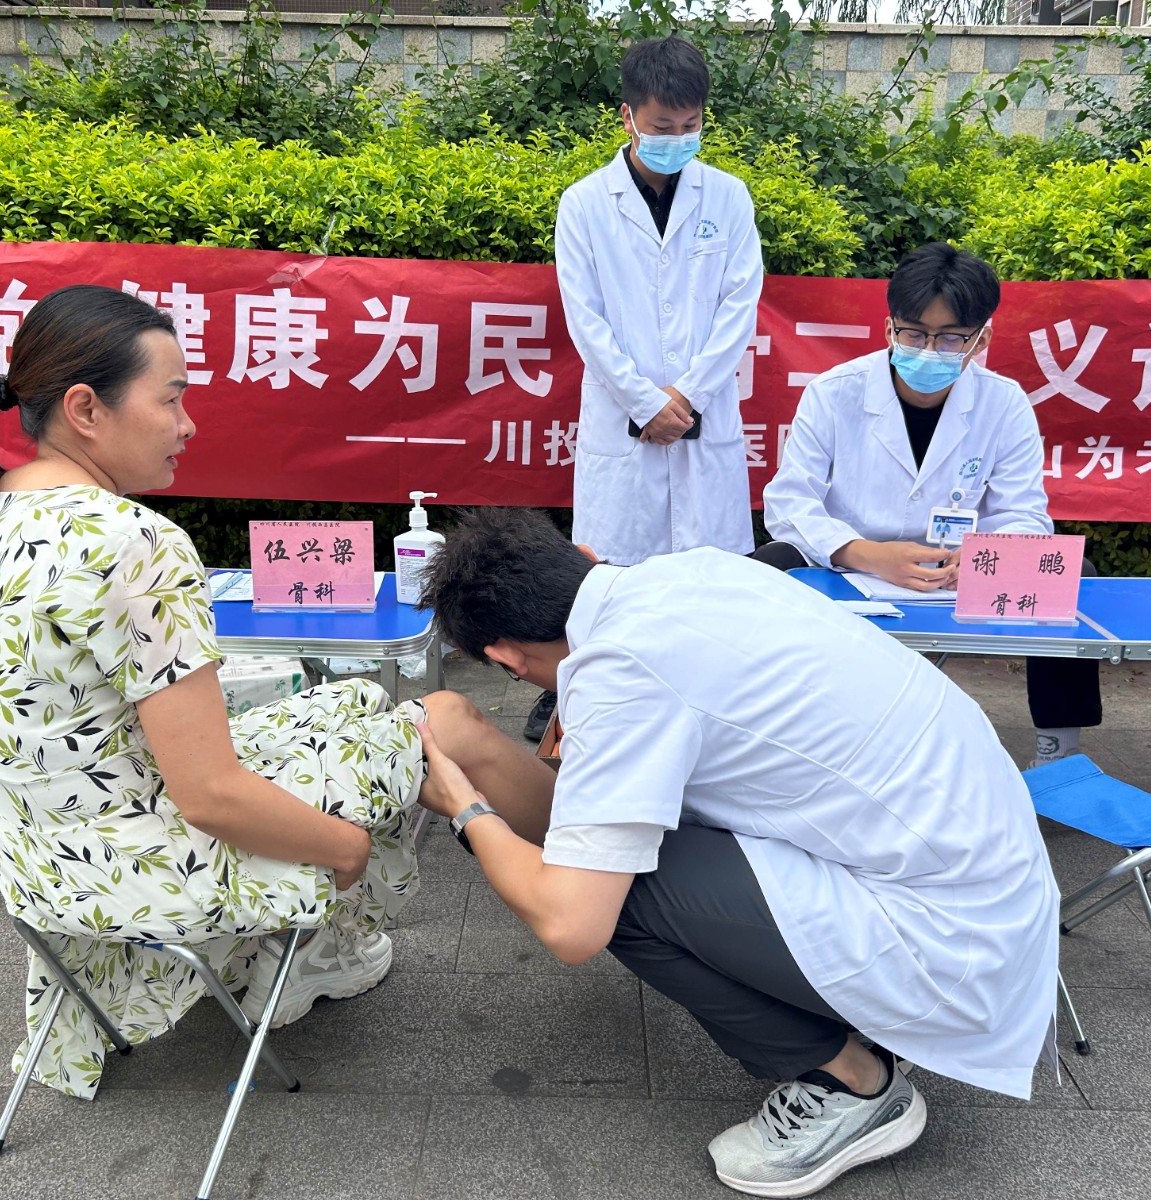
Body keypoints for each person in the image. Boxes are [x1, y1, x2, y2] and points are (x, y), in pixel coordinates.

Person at [0, 285, 558, 1099]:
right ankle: (605, 856)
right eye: (172, 399)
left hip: (54, 874)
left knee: (355, 704)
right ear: (85, 408)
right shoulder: (133, 543)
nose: (188, 424)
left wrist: (58, 745)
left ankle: (312, 954)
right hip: (167, 859)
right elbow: (211, 794)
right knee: (445, 720)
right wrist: (346, 851)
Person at [416, 508, 1060, 1198]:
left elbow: (571, 924)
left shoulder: (620, 669)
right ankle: (857, 1028)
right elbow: (582, 815)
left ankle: (852, 1084)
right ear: (583, 555)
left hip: (951, 945)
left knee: (621, 896)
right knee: (621, 854)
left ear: (507, 659)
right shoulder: (697, 570)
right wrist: (474, 740)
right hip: (986, 878)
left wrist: (466, 809)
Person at [759, 242, 1102, 768]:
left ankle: (1059, 752)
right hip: (849, 559)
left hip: (957, 569)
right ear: (889, 329)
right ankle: (757, 728)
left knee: (1070, 573)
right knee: (766, 566)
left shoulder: (1004, 402)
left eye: (950, 338)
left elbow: (1024, 512)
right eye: (915, 334)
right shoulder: (834, 392)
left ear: (981, 338)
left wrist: (986, 555)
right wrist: (867, 554)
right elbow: (790, 500)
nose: (929, 350)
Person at [527, 34, 763, 743]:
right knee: (612, 581)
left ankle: (714, 709)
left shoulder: (728, 197)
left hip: (701, 414)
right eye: (663, 126)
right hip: (622, 422)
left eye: (691, 125)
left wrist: (686, 395)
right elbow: (586, 318)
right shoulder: (584, 205)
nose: (678, 139)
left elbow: (740, 303)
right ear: (628, 117)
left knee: (709, 583)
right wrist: (643, 401)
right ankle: (588, 697)